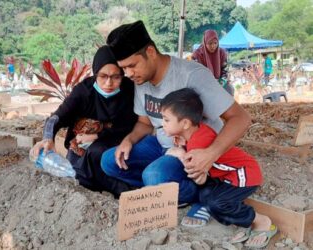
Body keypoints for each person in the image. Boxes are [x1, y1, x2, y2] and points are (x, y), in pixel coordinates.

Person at [101, 20, 251, 217]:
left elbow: (241, 118)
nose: (128, 74)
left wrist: (210, 154)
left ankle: (198, 190)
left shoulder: (192, 76)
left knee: (154, 176)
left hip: (193, 151)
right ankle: (164, 185)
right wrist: (129, 140)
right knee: (109, 161)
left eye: (132, 66)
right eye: (124, 68)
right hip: (163, 145)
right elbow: (145, 123)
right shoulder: (141, 79)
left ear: (151, 52)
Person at [160, 88, 277, 249]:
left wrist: (179, 153)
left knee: (217, 203)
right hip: (228, 175)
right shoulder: (197, 132)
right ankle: (243, 221)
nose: (162, 124)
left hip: (245, 174)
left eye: (166, 120)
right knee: (207, 197)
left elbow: (197, 176)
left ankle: (260, 221)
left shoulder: (197, 144)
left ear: (185, 123)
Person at [29, 45, 137, 198]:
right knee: (78, 173)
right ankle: (120, 190)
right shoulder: (84, 91)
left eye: (116, 77)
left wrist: (97, 136)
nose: (108, 83)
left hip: (115, 140)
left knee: (96, 155)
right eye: (103, 76)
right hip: (80, 145)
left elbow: (130, 124)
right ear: (95, 73)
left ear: (122, 74)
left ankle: (124, 191)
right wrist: (48, 137)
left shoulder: (129, 91)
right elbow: (56, 117)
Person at [192, 30, 234, 96]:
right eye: (210, 43)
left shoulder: (222, 53)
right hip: (202, 84)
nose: (213, 46)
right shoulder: (197, 54)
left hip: (219, 83)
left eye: (215, 43)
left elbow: (225, 71)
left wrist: (220, 83)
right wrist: (209, 84)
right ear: (205, 43)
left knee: (230, 89)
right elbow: (196, 73)